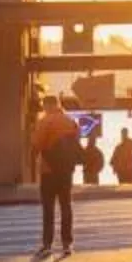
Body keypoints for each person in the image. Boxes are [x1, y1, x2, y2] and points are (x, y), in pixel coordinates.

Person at [34, 94, 81, 253]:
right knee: (66, 205)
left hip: (49, 171)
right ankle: (67, 243)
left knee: (48, 208)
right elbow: (76, 145)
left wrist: (32, 159)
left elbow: (37, 144)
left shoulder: (45, 121)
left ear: (48, 105)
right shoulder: (71, 121)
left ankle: (47, 244)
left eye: (44, 106)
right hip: (66, 171)